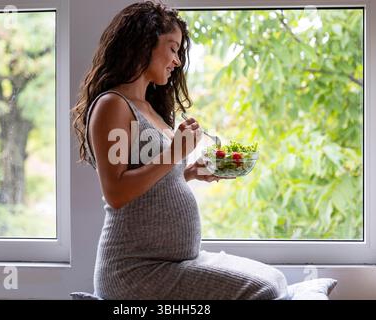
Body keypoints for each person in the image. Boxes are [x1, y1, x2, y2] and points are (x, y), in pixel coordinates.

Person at [72, 1, 288, 300]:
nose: (177, 61)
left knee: (276, 279)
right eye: (172, 48)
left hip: (172, 262)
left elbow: (147, 185)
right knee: (264, 289)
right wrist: (173, 155)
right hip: (135, 271)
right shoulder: (113, 105)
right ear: (144, 42)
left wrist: (185, 172)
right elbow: (117, 192)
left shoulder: (150, 108)